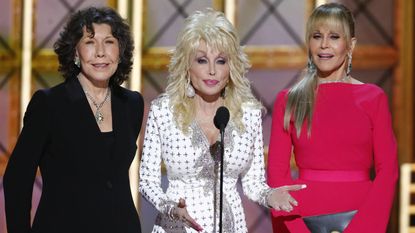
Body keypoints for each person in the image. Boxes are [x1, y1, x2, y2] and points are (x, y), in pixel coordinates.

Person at [139, 8, 305, 233]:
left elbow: (253, 183)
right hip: (176, 227)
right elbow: (147, 181)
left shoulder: (248, 114)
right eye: (201, 60)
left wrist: (270, 195)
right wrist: (170, 207)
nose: (211, 71)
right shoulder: (164, 111)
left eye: (220, 61)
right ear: (186, 65)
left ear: (231, 66)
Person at [3, 7, 143, 233]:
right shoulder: (49, 104)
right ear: (76, 53)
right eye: (89, 42)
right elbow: (17, 180)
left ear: (120, 50)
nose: (100, 52)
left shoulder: (131, 104)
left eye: (109, 42)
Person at [267, 3, 398, 233]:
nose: (324, 45)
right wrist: (295, 228)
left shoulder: (372, 98)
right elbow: (277, 174)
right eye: (317, 36)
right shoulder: (288, 100)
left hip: (362, 219)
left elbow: (388, 170)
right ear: (309, 42)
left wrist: (365, 228)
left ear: (350, 45)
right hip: (300, 221)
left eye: (334, 36)